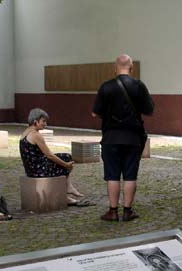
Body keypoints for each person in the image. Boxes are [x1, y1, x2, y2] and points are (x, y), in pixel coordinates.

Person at [92, 54, 154, 222]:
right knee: (130, 175)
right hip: (133, 137)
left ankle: (112, 211)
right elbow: (149, 110)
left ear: (115, 67)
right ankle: (127, 211)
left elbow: (95, 112)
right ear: (131, 67)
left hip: (111, 137)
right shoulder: (139, 86)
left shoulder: (106, 87)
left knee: (112, 175)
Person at [20, 108, 90, 206]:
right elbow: (49, 155)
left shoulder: (25, 132)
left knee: (64, 157)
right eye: (43, 121)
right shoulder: (35, 135)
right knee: (66, 157)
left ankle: (68, 188)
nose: (45, 124)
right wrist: (66, 165)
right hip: (38, 170)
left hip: (31, 169)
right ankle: (66, 191)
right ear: (35, 121)